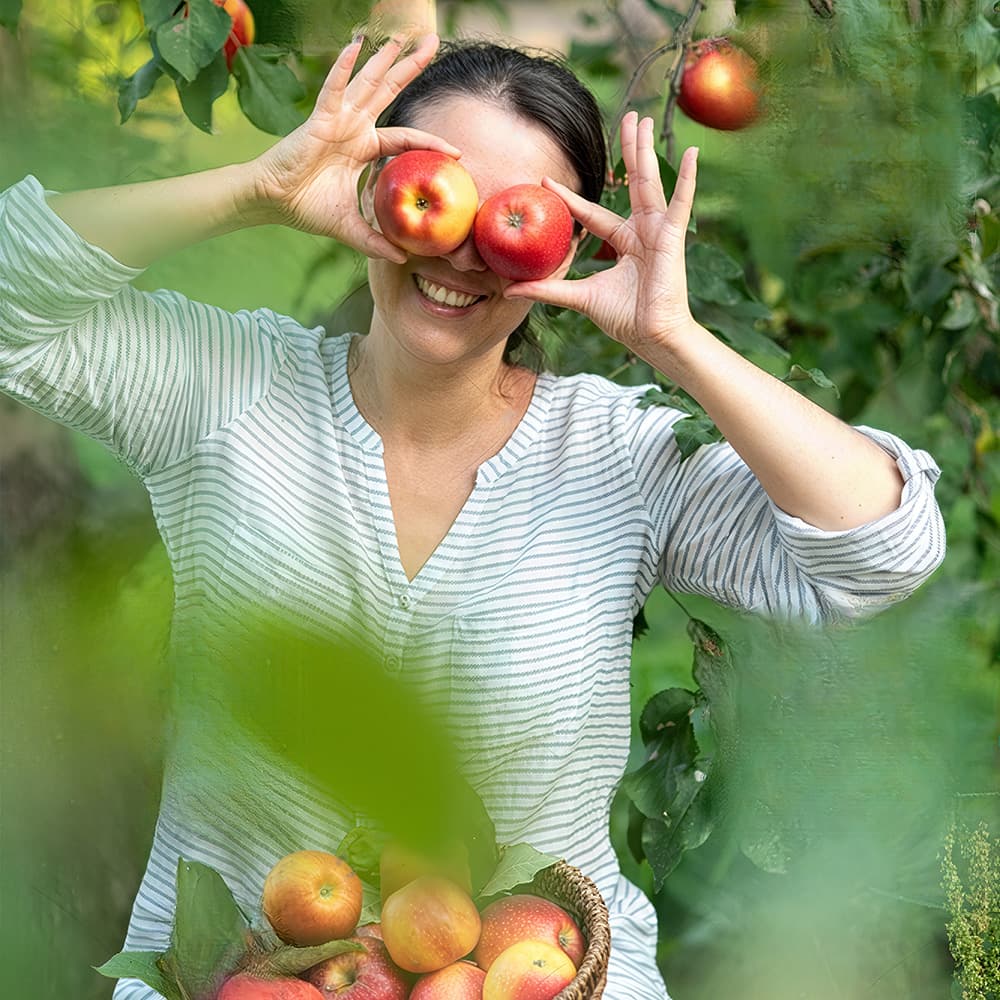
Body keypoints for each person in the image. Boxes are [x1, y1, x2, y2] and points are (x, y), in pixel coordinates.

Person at [0, 32, 945, 1000]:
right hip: (231, 979)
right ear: (375, 186)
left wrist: (674, 336)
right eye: (437, 190)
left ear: (571, 240)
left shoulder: (617, 454)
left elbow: (882, 552)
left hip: (534, 976)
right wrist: (256, 191)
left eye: (513, 216)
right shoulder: (226, 392)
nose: (463, 247)